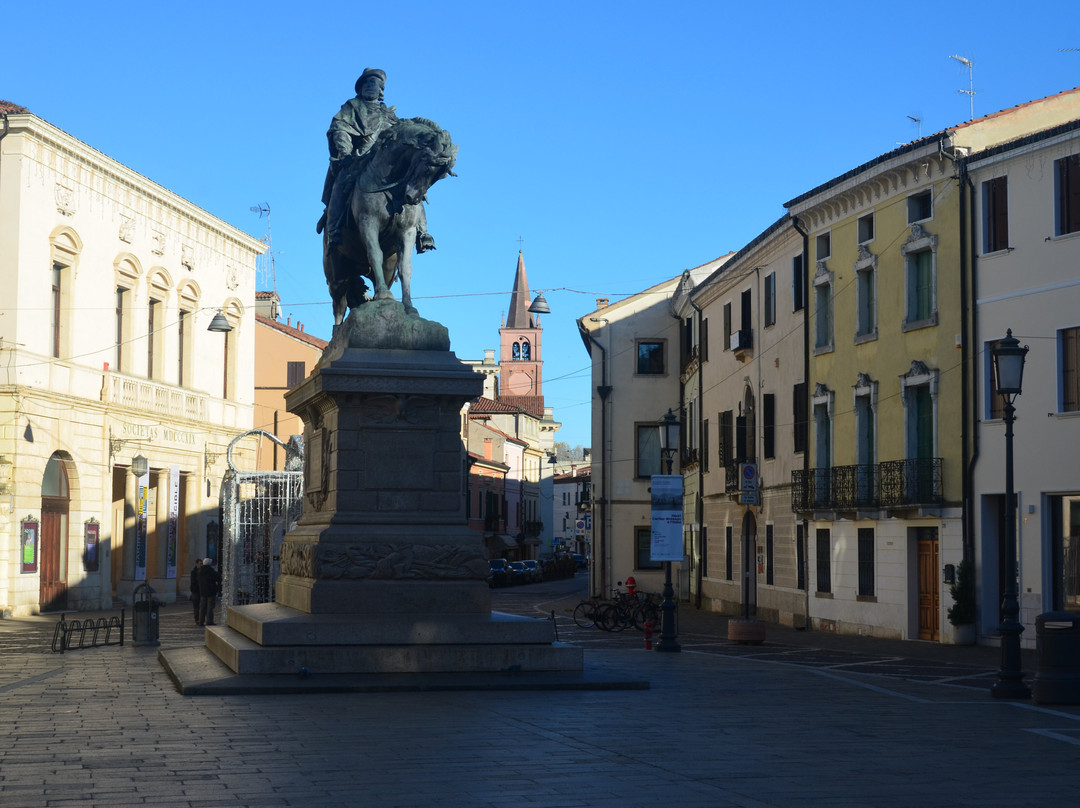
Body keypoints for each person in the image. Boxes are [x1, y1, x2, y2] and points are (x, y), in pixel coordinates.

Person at [322, 68, 398, 247]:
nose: (370, 86)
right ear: (361, 87)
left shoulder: (388, 115)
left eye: (375, 83)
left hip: (382, 164)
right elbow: (339, 129)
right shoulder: (351, 107)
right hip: (355, 160)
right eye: (367, 83)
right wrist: (345, 152)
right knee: (340, 184)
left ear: (381, 90)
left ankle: (420, 230)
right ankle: (333, 230)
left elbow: (398, 138)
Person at [196, 557, 220, 627]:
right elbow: (218, 577)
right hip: (211, 591)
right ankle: (209, 621)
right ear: (210, 564)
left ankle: (201, 621)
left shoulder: (199, 571)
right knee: (210, 607)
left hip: (202, 591)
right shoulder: (211, 571)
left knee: (202, 607)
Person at [189, 558, 202, 624]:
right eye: (200, 563)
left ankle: (200, 619)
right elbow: (193, 582)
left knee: (201, 606)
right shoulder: (194, 572)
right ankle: (197, 619)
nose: (201, 565)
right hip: (195, 591)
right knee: (196, 607)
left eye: (201, 564)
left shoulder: (202, 572)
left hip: (201, 591)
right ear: (197, 564)